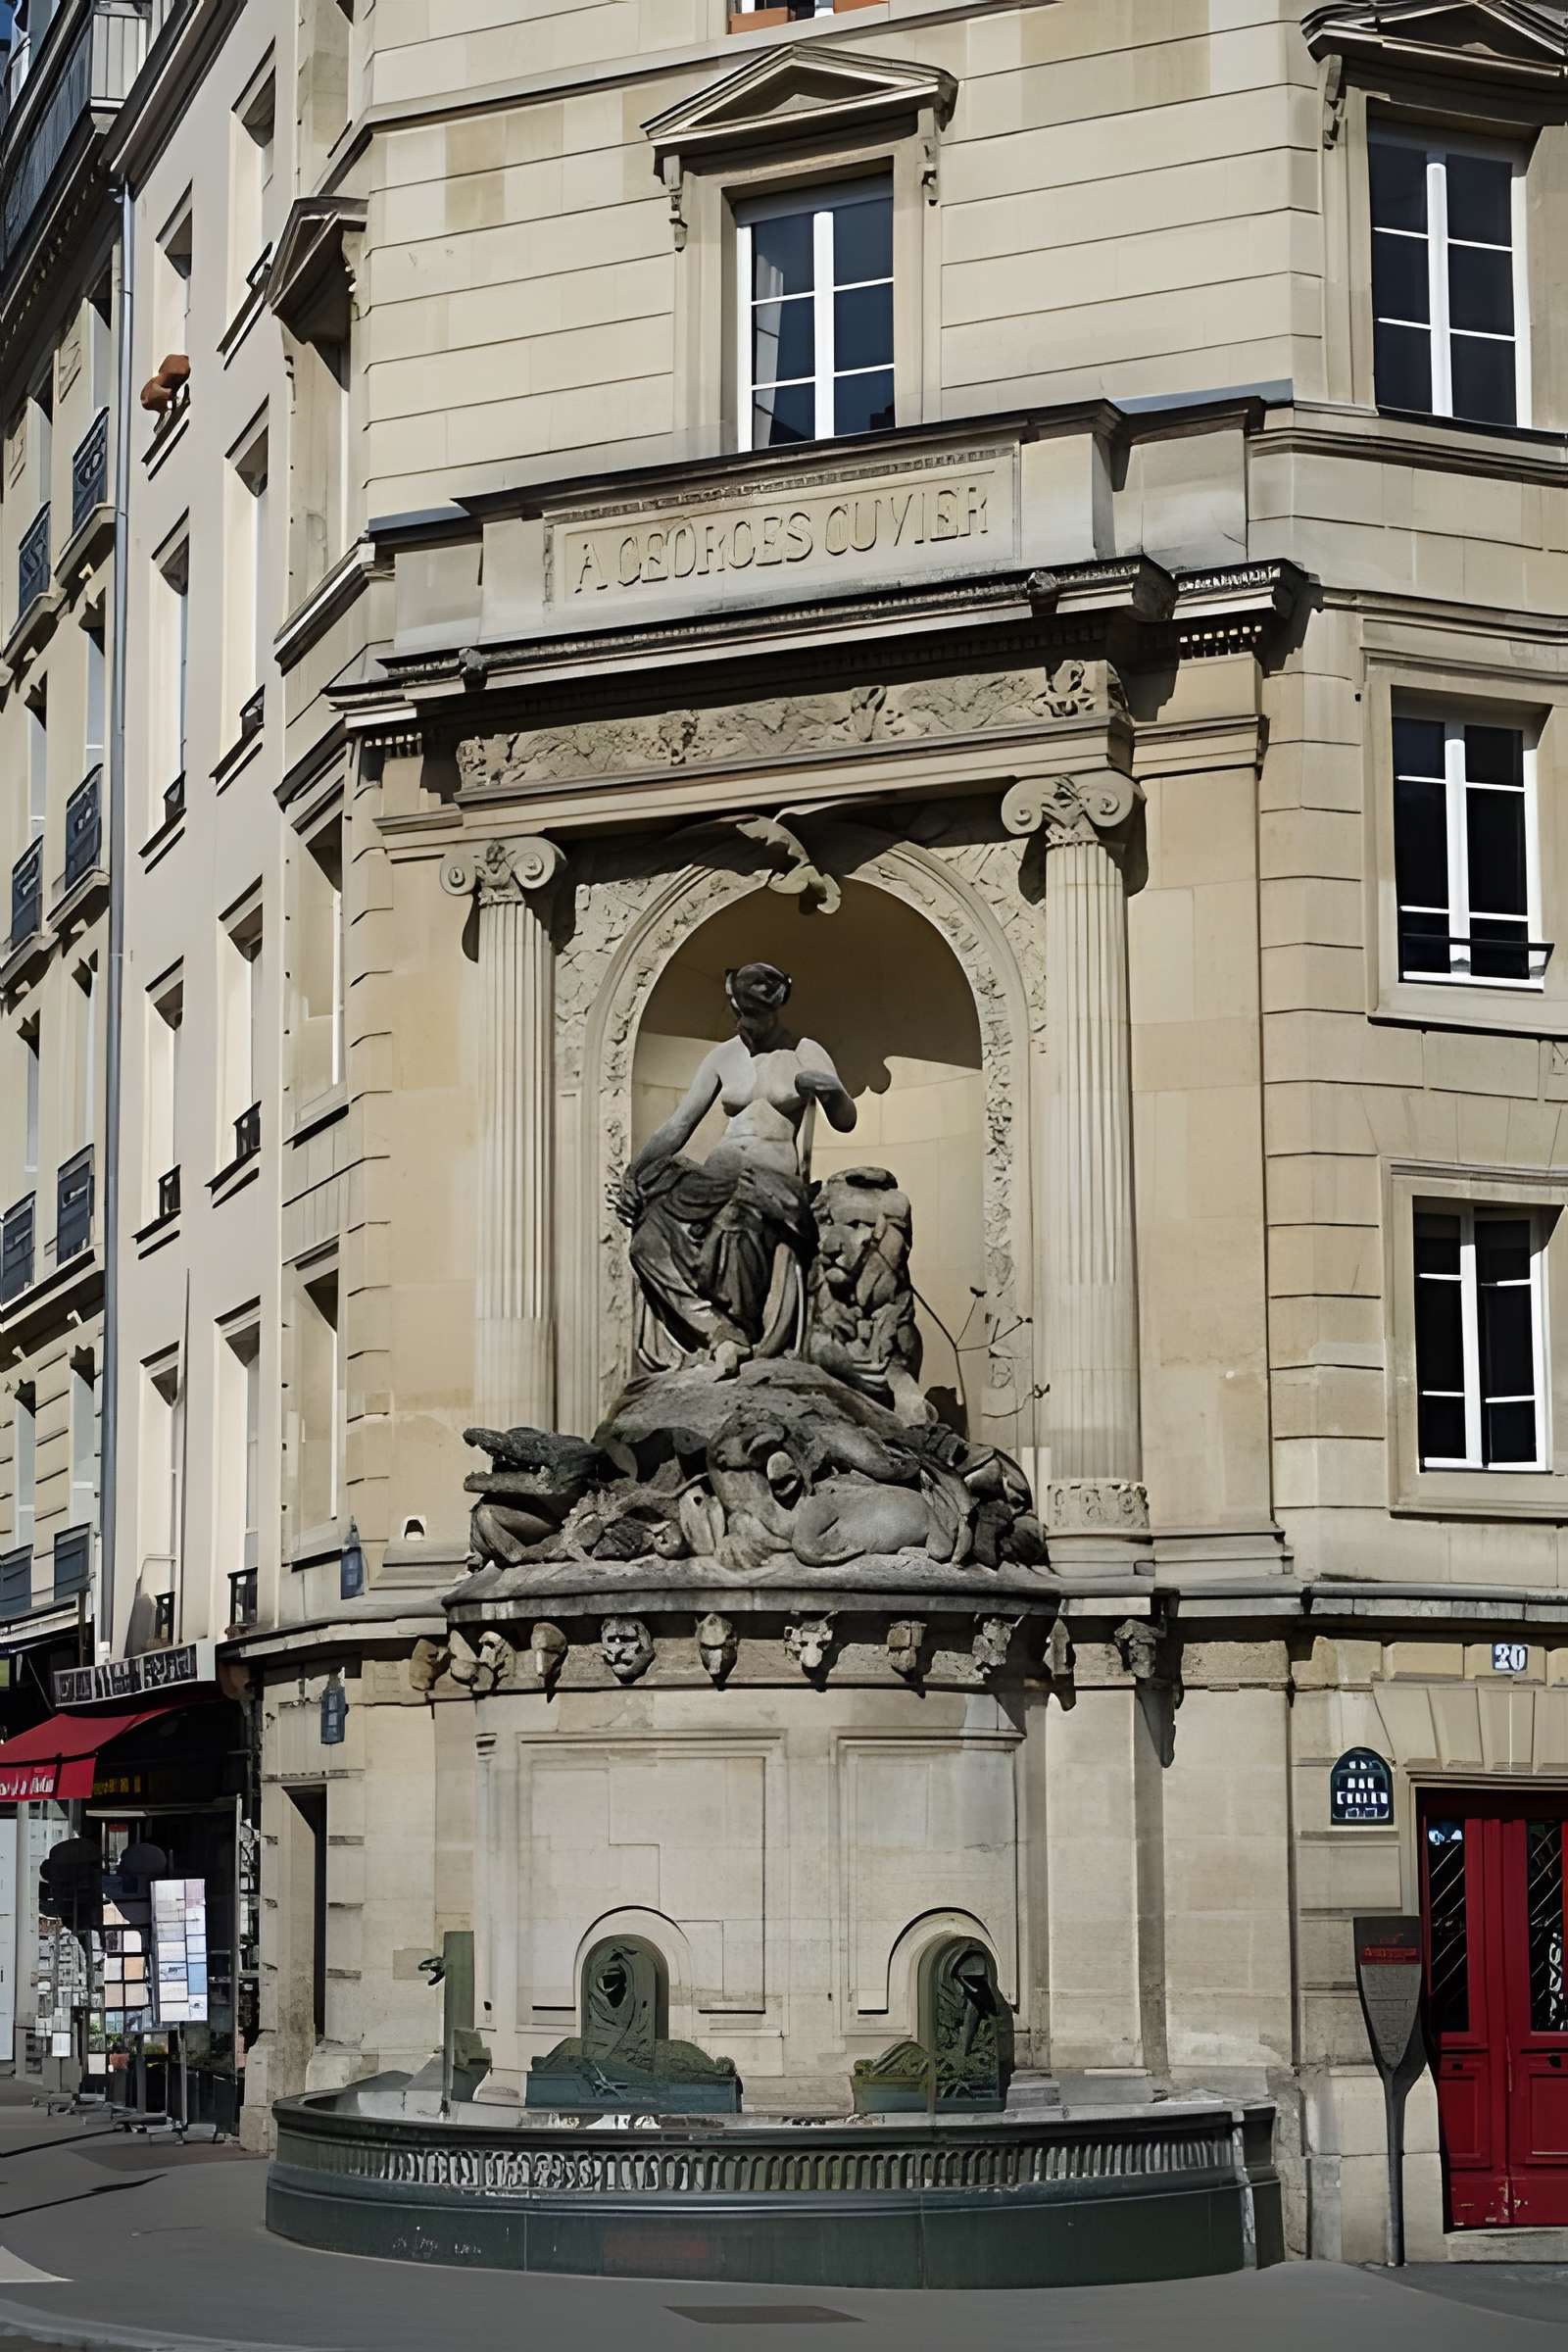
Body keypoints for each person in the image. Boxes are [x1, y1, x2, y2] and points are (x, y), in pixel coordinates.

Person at [616, 961, 856, 1373]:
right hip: (715, 1177)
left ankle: (738, 1334)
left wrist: (831, 1090)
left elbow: (846, 1118)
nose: (748, 1026)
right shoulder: (722, 1057)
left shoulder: (803, 1050)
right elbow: (678, 1125)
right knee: (647, 1241)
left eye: (757, 1017)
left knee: (735, 1222)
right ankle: (716, 1329)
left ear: (775, 1010)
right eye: (742, 1016)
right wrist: (633, 1173)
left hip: (771, 1182)